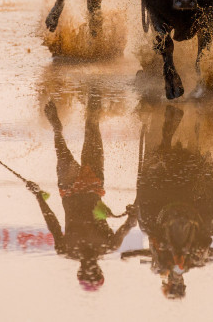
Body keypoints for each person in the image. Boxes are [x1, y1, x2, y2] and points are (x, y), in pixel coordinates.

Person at [26, 95, 137, 290]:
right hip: (93, 184)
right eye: (94, 271)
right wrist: (132, 212)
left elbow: (52, 221)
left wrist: (38, 196)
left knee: (61, 148)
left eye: (87, 272)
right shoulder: (110, 245)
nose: (90, 267)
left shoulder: (65, 249)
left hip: (68, 189)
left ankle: (56, 126)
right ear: (99, 270)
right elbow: (131, 222)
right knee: (92, 127)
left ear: (80, 271)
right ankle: (95, 89)